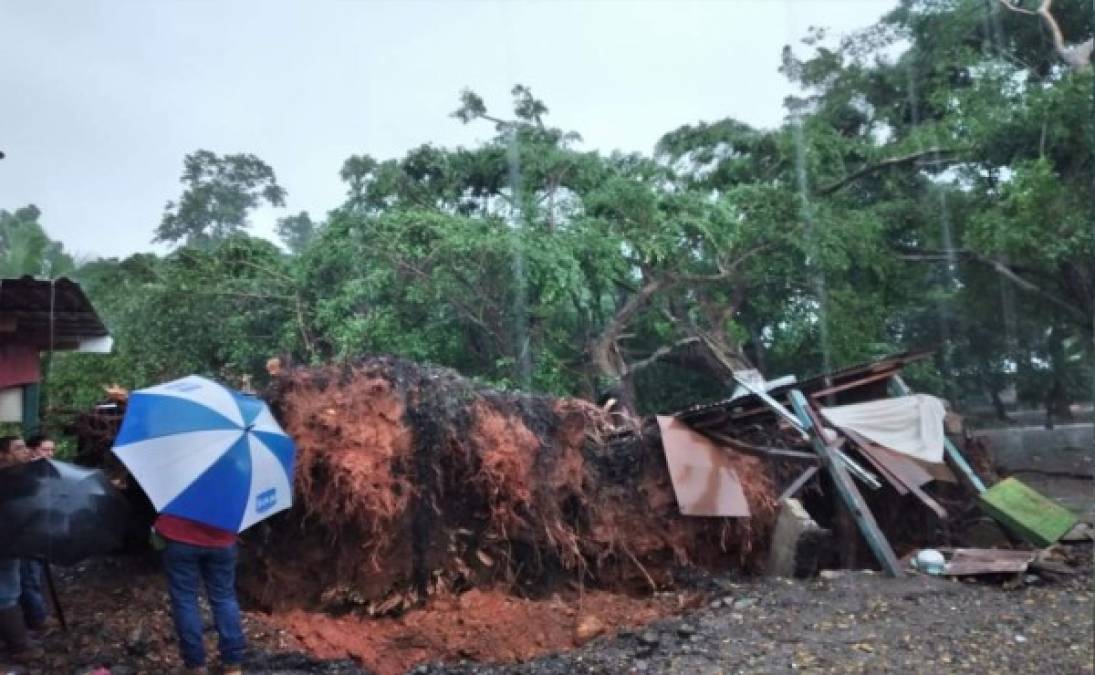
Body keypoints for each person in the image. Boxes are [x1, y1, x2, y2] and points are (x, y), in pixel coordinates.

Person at [154, 513, 246, 674]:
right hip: (222, 538)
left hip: (178, 536)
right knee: (224, 599)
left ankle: (196, 665)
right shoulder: (235, 486)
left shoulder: (180, 485)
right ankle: (233, 664)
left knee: (185, 601)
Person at [0, 436, 43, 662]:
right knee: (7, 595)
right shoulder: (5, 479)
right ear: (3, 455)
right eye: (18, 448)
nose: (25, 451)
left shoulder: (15, 475)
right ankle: (18, 646)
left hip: (12, 544)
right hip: (4, 546)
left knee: (11, 590)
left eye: (25, 446)